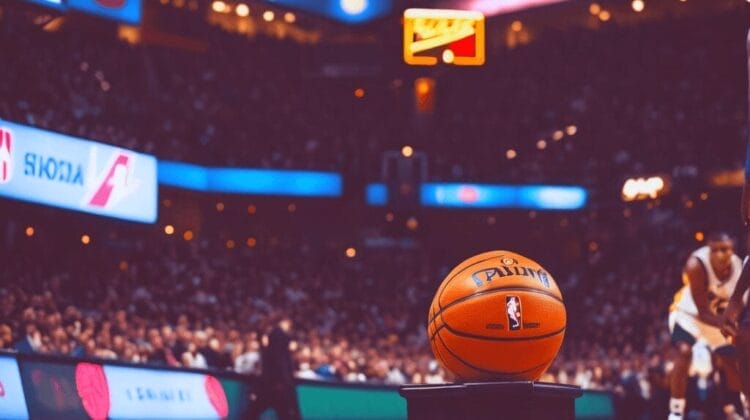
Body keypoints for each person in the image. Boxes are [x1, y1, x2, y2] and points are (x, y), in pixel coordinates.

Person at [668, 232, 744, 420]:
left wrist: (737, 327)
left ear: (732, 250)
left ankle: (735, 408)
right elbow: (702, 310)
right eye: (715, 250)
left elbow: (741, 305)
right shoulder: (696, 265)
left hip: (717, 321)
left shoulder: (741, 267)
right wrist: (731, 327)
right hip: (690, 315)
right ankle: (676, 411)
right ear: (709, 250)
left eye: (724, 249)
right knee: (684, 351)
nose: (720, 254)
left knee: (732, 363)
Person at [247, 317, 300, 420]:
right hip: (279, 386)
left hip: (271, 385)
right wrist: (286, 383)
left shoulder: (270, 346)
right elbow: (281, 366)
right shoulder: (279, 341)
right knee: (286, 413)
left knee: (254, 412)